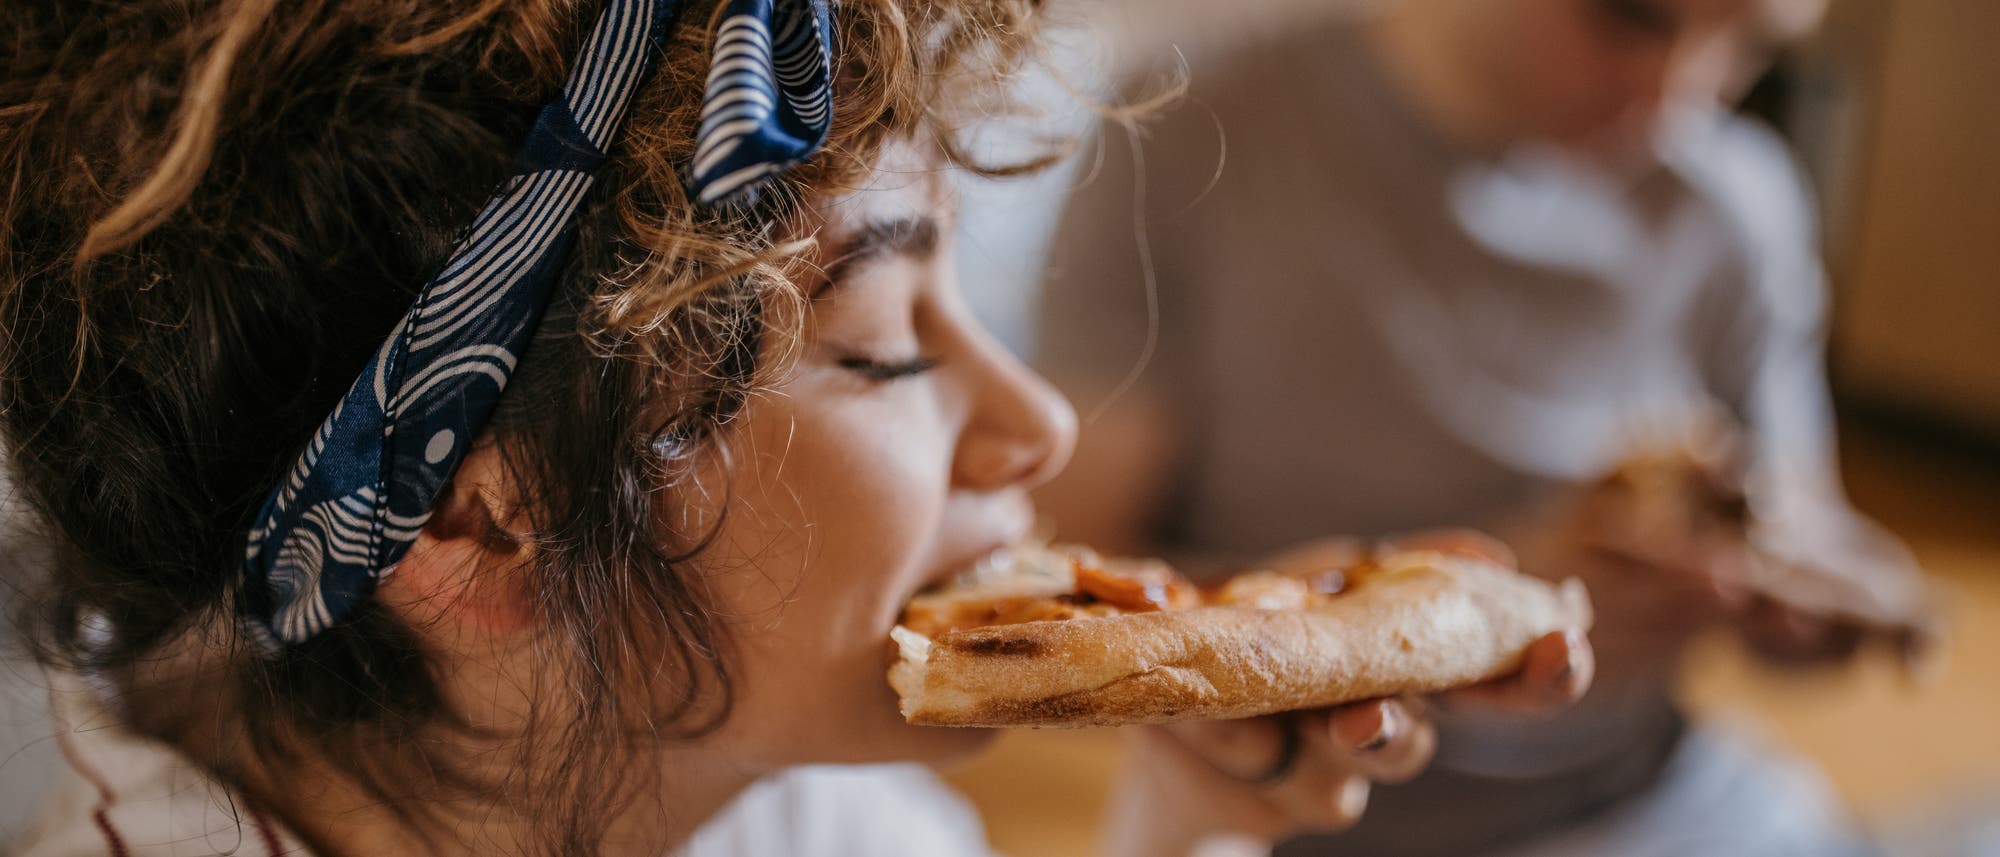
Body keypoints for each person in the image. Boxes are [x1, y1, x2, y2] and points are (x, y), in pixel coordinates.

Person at [0, 1, 1591, 855]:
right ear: (482, 519)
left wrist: (1190, 818)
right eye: (889, 347)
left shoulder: (789, 805)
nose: (1034, 421)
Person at [1035, 0, 1932, 854]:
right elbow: (1082, 593)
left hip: (1663, 792)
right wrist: (1455, 613)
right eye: (1632, 16)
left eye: (1752, 43)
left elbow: (1802, 532)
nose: (1678, 100)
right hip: (1305, 817)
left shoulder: (1738, 198)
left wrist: (1809, 603)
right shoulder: (1195, 127)